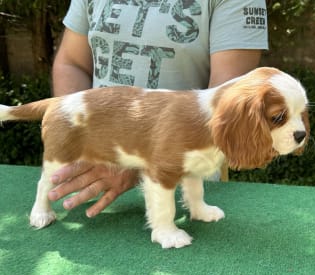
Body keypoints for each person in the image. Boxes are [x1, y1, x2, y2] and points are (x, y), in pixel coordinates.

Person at [48, 0, 269, 218]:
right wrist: (74, 132)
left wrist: (128, 159)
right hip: (98, 184)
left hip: (184, 193)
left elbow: (224, 105)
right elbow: (72, 63)